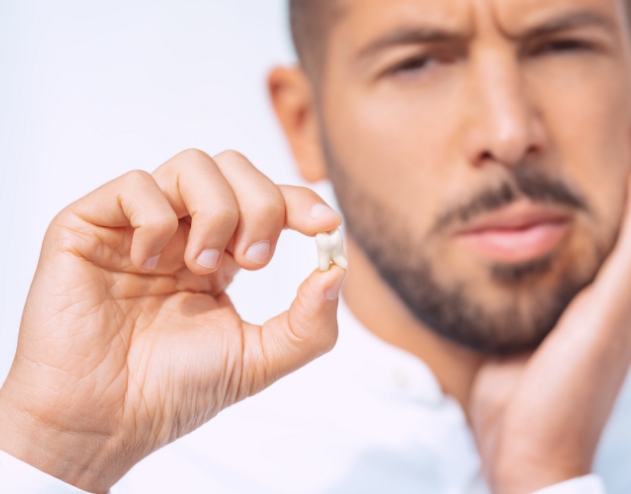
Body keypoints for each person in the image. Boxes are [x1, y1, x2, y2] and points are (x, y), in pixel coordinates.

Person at [2, 0, 631, 492]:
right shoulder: (140, 468)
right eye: (417, 61)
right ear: (304, 124)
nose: (509, 131)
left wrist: (545, 476)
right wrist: (55, 453)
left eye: (562, 45)